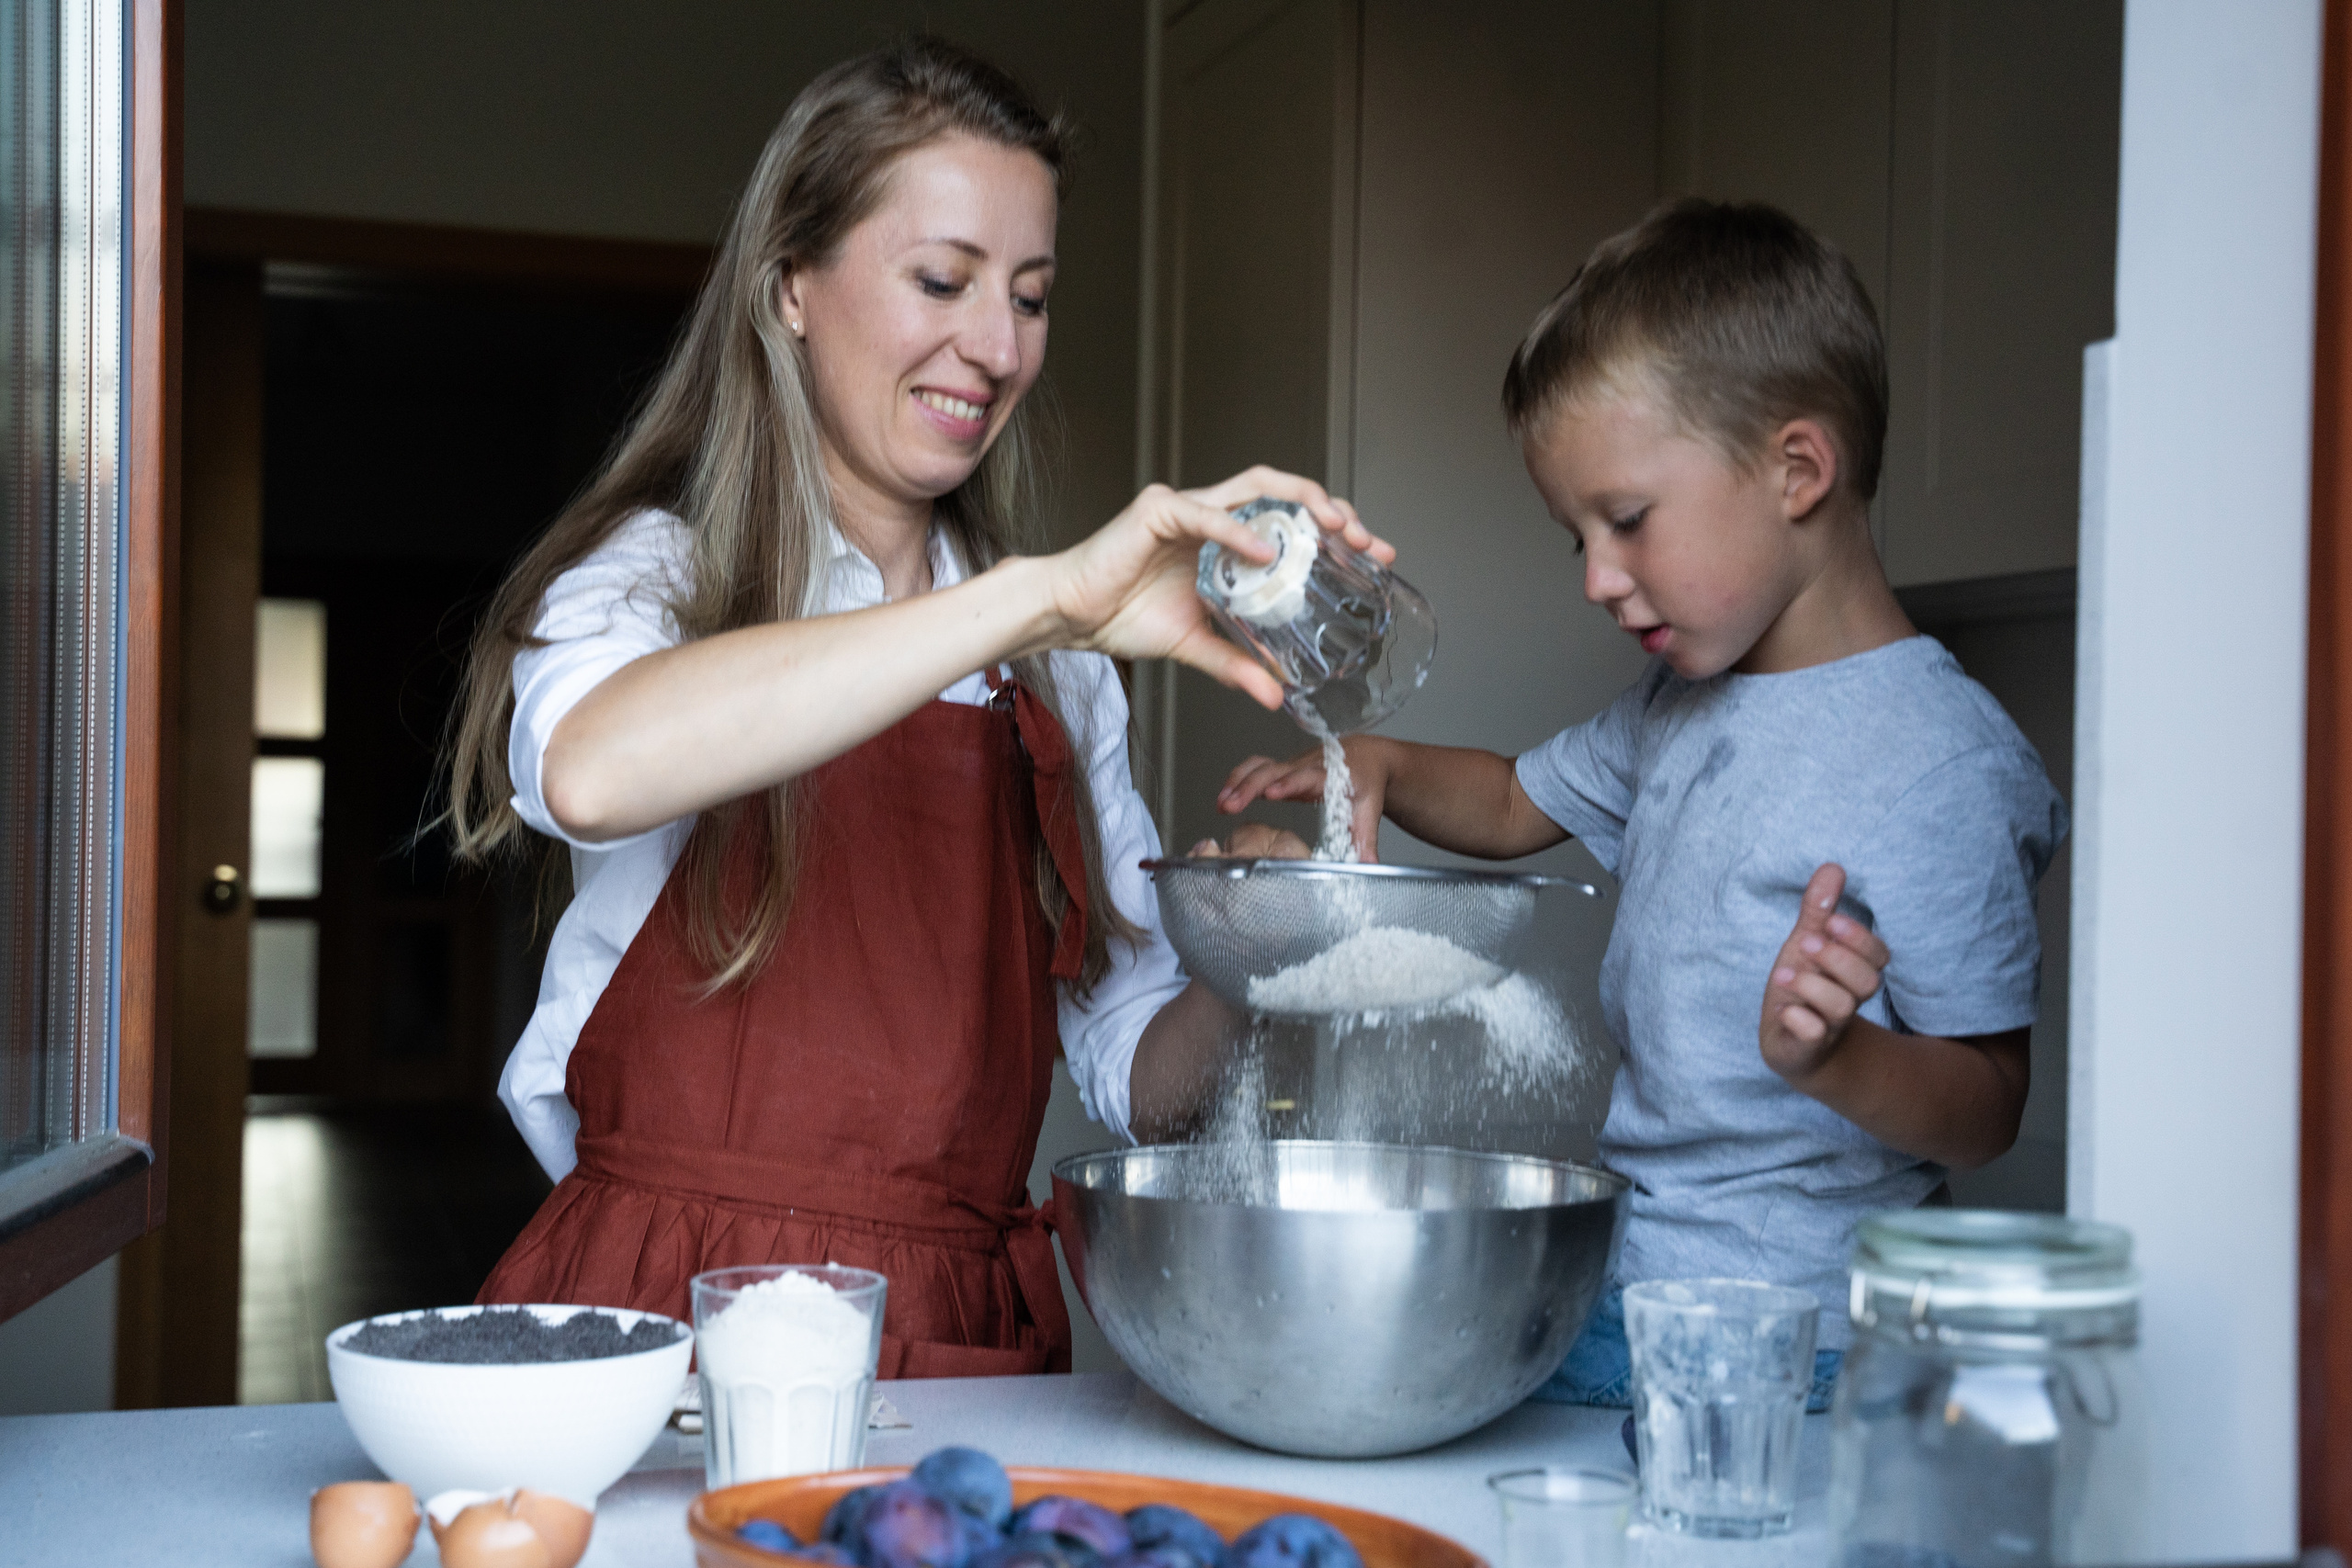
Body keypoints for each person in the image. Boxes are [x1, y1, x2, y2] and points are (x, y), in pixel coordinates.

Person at [444, 39, 1385, 1377]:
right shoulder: (663, 583)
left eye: (1033, 296)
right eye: (942, 280)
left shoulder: (1054, 677)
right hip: (663, 1321)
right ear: (791, 287)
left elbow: (1139, 1078)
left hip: (945, 1344)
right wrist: (1035, 599)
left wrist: (1255, 963)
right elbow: (594, 770)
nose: (998, 349)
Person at [1216, 199, 2066, 1407]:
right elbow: (1515, 801)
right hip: (1618, 1296)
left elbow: (1985, 1107)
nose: (1599, 580)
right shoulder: (1684, 705)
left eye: (1626, 522)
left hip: (1808, 1349)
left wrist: (1839, 1058)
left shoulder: (1937, 764)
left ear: (1797, 471)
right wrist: (1387, 766)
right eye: (1578, 540)